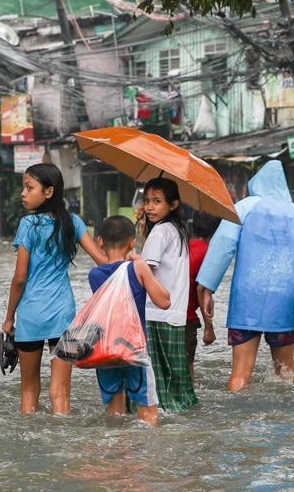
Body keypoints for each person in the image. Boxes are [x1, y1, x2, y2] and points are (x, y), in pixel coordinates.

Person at [197, 161, 294, 390]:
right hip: (281, 305)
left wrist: (207, 287)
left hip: (246, 303)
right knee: (285, 373)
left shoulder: (243, 207)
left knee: (240, 372)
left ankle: (234, 419)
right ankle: (285, 421)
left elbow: (222, 248)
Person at [2, 163, 108, 415]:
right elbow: (103, 262)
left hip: (31, 316)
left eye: (29, 188)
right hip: (63, 314)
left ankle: (31, 445)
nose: (23, 193)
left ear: (49, 192)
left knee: (29, 390)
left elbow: (19, 278)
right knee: (61, 391)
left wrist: (8, 319)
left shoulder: (29, 225)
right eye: (23, 188)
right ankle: (62, 437)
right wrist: (130, 259)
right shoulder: (73, 222)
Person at [88, 215, 170, 427]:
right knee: (148, 415)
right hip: (135, 350)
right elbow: (164, 301)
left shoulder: (94, 275)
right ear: (133, 243)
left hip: (106, 352)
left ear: (100, 242)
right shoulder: (137, 269)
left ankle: (117, 456)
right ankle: (144, 458)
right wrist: (142, 264)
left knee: (115, 417)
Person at [140, 177, 197, 411]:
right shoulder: (178, 230)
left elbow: (145, 272)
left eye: (157, 201)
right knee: (175, 378)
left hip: (156, 313)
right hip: (176, 312)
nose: (150, 206)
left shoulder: (161, 232)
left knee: (156, 378)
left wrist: (133, 260)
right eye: (146, 201)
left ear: (173, 204)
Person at [187, 211, 221, 380]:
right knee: (188, 367)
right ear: (216, 231)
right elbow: (202, 290)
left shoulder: (184, 244)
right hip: (185, 317)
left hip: (164, 313)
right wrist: (209, 328)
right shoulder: (209, 252)